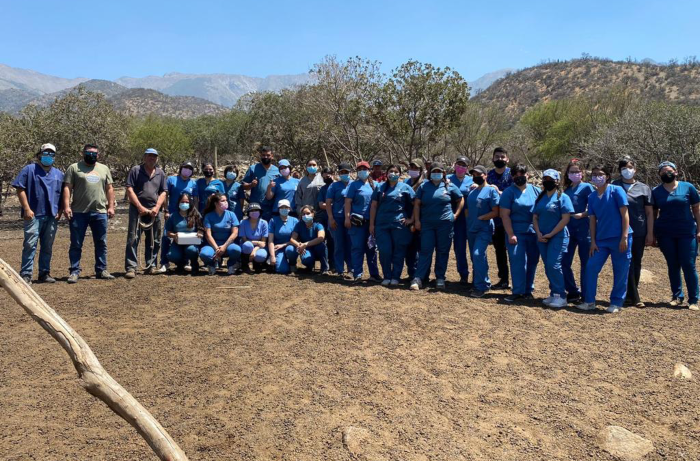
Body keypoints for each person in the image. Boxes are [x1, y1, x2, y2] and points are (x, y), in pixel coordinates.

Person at [576, 165, 632, 313]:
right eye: (594, 174)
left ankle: (616, 302)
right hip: (601, 240)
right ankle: (589, 301)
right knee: (591, 267)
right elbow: (593, 220)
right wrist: (593, 241)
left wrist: (624, 237)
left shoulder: (616, 191)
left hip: (620, 238)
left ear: (607, 176)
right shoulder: (592, 197)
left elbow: (625, 214)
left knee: (620, 270)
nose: (596, 177)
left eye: (600, 174)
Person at [62, 144, 116, 283]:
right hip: (79, 212)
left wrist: (111, 206)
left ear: (98, 155)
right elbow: (67, 188)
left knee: (101, 242)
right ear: (83, 153)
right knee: (76, 243)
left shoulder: (104, 168)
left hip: (99, 212)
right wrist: (66, 206)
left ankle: (101, 269)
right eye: (88, 153)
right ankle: (74, 271)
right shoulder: (74, 168)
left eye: (94, 153)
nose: (91, 155)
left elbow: (109, 188)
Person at [12, 143, 64, 284]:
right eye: (46, 153)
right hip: (33, 215)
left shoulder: (59, 174)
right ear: (40, 155)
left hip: (52, 215)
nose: (48, 157)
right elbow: (20, 188)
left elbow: (64, 194)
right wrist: (27, 209)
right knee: (30, 244)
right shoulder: (29, 170)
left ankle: (44, 273)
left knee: (47, 246)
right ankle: (26, 274)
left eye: (51, 154)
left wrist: (60, 211)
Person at [652, 161, 700, 311]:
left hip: (687, 232)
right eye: (663, 171)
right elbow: (653, 214)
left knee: (688, 264)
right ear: (659, 174)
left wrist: (699, 229)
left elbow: (697, 209)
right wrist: (652, 233)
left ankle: (693, 299)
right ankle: (677, 296)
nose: (666, 173)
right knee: (673, 265)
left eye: (669, 170)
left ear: (676, 172)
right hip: (665, 233)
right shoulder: (656, 191)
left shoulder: (688, 187)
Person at [410, 162, 463, 290]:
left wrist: (455, 215)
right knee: (425, 250)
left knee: (442, 251)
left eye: (439, 171)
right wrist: (416, 221)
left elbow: (460, 199)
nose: (436, 174)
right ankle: (419, 278)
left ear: (443, 173)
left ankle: (440, 277)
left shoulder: (449, 186)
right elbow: (417, 204)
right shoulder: (424, 186)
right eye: (434, 171)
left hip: (445, 224)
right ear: (429, 173)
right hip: (427, 224)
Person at [612, 157, 654, 308]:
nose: (627, 170)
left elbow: (649, 213)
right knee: (625, 261)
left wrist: (650, 233)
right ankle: (634, 297)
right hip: (620, 231)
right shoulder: (614, 186)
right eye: (623, 168)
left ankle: (631, 294)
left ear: (635, 169)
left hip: (639, 230)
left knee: (636, 262)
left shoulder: (644, 188)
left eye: (630, 167)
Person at [499, 164, 540, 303]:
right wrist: (511, 234)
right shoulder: (508, 192)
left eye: (521, 174)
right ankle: (517, 291)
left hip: (534, 232)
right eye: (515, 174)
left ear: (527, 175)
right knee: (517, 260)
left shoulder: (536, 191)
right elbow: (504, 215)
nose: (518, 177)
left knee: (532, 261)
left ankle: (528, 290)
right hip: (516, 232)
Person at [533, 169, 573, 308]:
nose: (547, 181)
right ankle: (553, 292)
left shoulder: (563, 197)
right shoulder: (541, 197)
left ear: (557, 181)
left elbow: (565, 218)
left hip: (558, 237)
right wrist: (538, 232)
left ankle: (561, 295)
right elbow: (535, 216)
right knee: (547, 266)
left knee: (553, 265)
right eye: (545, 179)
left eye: (550, 179)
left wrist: (551, 234)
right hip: (542, 237)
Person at [369, 164, 415, 286]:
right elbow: (373, 206)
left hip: (399, 225)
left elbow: (416, 204)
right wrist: (371, 224)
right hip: (381, 225)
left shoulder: (406, 187)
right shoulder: (380, 187)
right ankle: (387, 276)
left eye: (396, 172)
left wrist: (412, 219)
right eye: (391, 171)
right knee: (384, 250)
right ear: (386, 173)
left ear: (400, 174)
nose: (393, 174)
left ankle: (396, 276)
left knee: (399, 251)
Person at [124, 148, 167, 279]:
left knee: (154, 239)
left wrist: (157, 207)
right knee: (133, 238)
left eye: (154, 156)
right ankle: (131, 267)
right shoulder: (135, 170)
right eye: (149, 156)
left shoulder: (160, 173)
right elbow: (129, 189)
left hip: (154, 211)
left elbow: (163, 192)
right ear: (144, 157)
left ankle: (151, 265)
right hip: (137, 210)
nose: (151, 159)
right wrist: (139, 207)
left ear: (157, 159)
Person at [561, 159, 595, 303]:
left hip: (584, 229)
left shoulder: (587, 187)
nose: (574, 174)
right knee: (564, 261)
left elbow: (594, 206)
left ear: (582, 173)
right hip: (569, 229)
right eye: (572, 172)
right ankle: (572, 291)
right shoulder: (567, 190)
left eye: (577, 172)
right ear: (567, 174)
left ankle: (586, 295)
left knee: (585, 263)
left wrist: (584, 214)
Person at [465, 165, 500, 298]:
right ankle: (477, 282)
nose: (476, 176)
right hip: (471, 227)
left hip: (484, 228)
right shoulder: (472, 191)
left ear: (485, 175)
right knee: (476, 257)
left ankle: (482, 285)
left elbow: (495, 212)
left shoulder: (491, 191)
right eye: (474, 174)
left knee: (478, 254)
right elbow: (468, 208)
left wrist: (483, 218)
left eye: (479, 174)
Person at [344, 161, 380, 283]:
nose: (362, 171)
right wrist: (347, 218)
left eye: (365, 169)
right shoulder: (353, 185)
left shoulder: (375, 185)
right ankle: (358, 274)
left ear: (369, 170)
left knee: (372, 248)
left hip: (371, 222)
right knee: (357, 248)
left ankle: (374, 274)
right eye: (360, 169)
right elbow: (348, 202)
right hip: (357, 224)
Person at [159, 161, 198, 273]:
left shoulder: (193, 183)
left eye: (190, 168)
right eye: (185, 167)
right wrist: (166, 210)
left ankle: (187, 261)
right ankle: (164, 262)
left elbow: (195, 199)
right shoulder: (171, 180)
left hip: (188, 215)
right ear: (181, 169)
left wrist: (195, 213)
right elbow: (165, 195)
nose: (187, 170)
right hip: (173, 214)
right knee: (166, 237)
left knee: (188, 236)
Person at [486, 147, 512, 289]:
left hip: (512, 220)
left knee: (515, 252)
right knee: (499, 251)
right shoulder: (489, 175)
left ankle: (519, 280)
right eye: (497, 157)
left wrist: (499, 192)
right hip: (496, 221)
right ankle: (503, 280)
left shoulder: (512, 175)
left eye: (502, 157)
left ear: (507, 159)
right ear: (493, 159)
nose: (500, 159)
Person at [200, 193, 242, 275]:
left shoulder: (231, 214)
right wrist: (216, 249)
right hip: (212, 244)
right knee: (204, 254)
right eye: (223, 201)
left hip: (228, 244)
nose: (226, 202)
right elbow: (208, 235)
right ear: (216, 203)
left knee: (236, 250)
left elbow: (235, 233)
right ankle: (211, 265)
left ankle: (231, 265)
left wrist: (224, 246)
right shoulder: (208, 216)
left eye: (226, 200)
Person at [449, 156, 474, 284]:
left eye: (463, 165)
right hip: (454, 218)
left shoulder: (472, 180)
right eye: (458, 164)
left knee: (474, 248)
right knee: (459, 248)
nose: (460, 167)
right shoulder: (448, 179)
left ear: (467, 168)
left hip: (469, 219)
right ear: (454, 165)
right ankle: (463, 274)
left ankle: (477, 275)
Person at [325, 163, 353, 277]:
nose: (344, 174)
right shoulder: (334, 186)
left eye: (346, 172)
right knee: (339, 245)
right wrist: (331, 218)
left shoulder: (354, 184)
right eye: (342, 172)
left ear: (350, 172)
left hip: (351, 220)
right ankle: (339, 270)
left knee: (350, 245)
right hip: (337, 219)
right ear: (339, 173)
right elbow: (328, 203)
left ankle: (352, 270)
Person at [164, 192, 201, 275]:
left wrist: (200, 233)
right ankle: (181, 264)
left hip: (191, 242)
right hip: (177, 242)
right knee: (171, 255)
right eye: (182, 202)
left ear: (190, 203)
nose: (185, 204)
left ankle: (194, 264)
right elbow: (168, 232)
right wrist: (174, 235)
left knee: (191, 250)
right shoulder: (173, 216)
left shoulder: (195, 214)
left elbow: (201, 228)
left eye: (187, 202)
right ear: (178, 203)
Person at [242, 145, 279, 221]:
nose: (265, 157)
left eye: (268, 155)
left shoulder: (277, 170)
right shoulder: (253, 168)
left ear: (272, 156)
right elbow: (243, 186)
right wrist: (251, 185)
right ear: (260, 156)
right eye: (263, 155)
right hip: (255, 207)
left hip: (271, 207)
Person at [404, 159, 427, 280]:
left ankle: (421, 275)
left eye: (416, 168)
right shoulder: (406, 182)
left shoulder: (425, 184)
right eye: (411, 167)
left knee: (421, 249)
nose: (413, 170)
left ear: (421, 170)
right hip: (407, 221)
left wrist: (414, 219)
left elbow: (417, 204)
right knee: (409, 248)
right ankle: (411, 273)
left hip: (420, 221)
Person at [289, 205, 328, 273]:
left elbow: (321, 238)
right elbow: (292, 239)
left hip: (317, 248)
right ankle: (310, 266)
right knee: (306, 260)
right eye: (303, 214)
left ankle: (324, 268)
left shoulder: (318, 225)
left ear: (313, 214)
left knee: (321, 246)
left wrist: (306, 244)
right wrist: (299, 245)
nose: (305, 215)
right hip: (306, 249)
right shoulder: (299, 225)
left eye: (308, 213)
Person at [267, 199, 300, 274]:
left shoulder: (295, 221)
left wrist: (284, 245)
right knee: (281, 270)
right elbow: (270, 241)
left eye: (286, 207)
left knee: (290, 250)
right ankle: (280, 261)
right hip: (278, 248)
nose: (284, 209)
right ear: (278, 209)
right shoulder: (273, 221)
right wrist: (272, 256)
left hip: (291, 246)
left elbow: (297, 239)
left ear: (289, 209)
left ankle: (292, 264)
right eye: (282, 207)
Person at [239, 202, 269, 273]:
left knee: (261, 255)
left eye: (256, 210)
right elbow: (244, 240)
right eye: (252, 211)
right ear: (248, 212)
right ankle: (245, 264)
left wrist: (254, 250)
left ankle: (257, 264)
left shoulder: (264, 223)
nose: (254, 212)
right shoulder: (243, 222)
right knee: (247, 245)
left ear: (260, 212)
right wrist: (258, 242)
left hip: (260, 247)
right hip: (246, 245)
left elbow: (263, 242)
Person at [317, 167, 336, 272]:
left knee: (333, 242)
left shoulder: (338, 186)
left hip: (336, 218)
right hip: (324, 218)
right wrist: (333, 205)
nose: (327, 175)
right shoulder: (323, 189)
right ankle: (324, 265)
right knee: (323, 242)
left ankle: (334, 264)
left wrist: (328, 205)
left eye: (329, 173)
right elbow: (320, 204)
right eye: (325, 174)